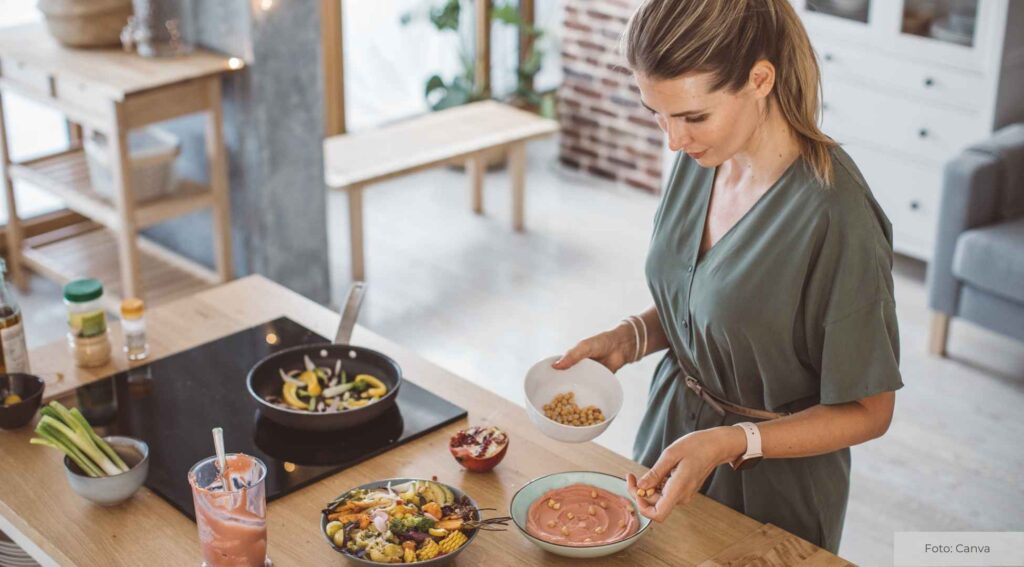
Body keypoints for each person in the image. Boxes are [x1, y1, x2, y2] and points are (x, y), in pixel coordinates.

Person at [552, 0, 903, 553]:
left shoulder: (838, 217)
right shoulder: (703, 160)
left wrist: (732, 441)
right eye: (657, 114)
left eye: (693, 116)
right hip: (672, 436)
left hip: (776, 484)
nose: (673, 139)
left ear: (760, 79)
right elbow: (717, 301)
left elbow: (870, 410)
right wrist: (632, 337)